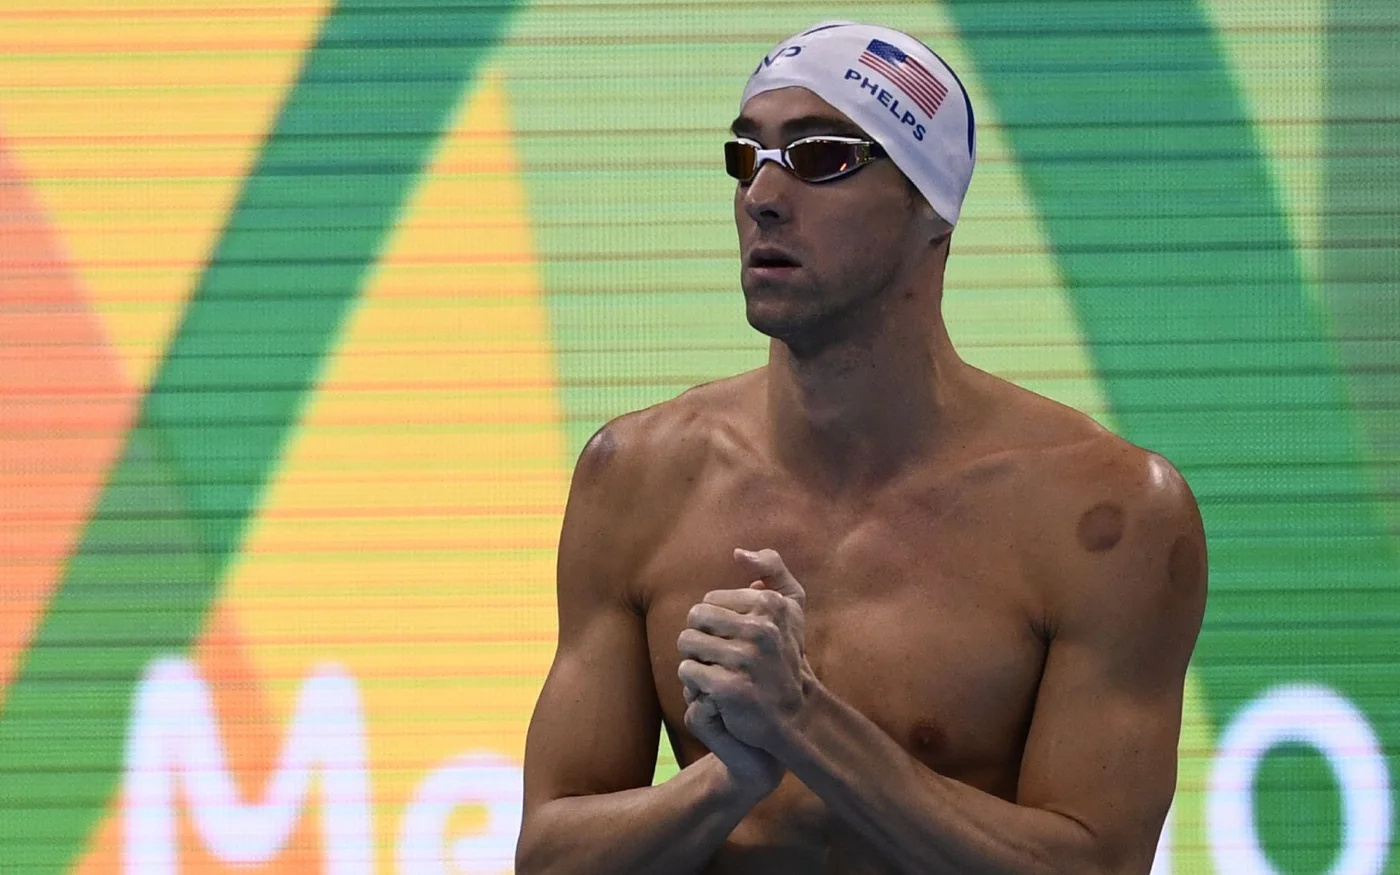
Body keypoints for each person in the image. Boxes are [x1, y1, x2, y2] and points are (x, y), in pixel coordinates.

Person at [515, 20, 1207, 875]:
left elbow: (1096, 867)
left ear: (932, 209)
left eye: (821, 157)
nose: (763, 195)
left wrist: (804, 720)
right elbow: (548, 857)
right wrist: (725, 783)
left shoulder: (1104, 513)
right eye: (748, 156)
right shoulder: (639, 478)